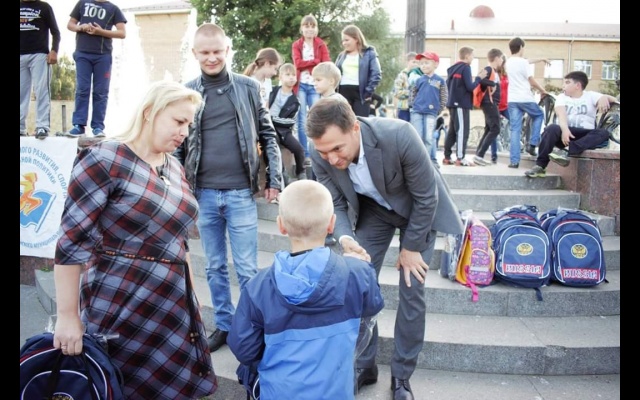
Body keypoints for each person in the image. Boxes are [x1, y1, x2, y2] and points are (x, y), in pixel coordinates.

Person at [52, 80, 218, 399]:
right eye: (178, 121)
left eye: (189, 124)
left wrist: (193, 297)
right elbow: (71, 243)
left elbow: (179, 240)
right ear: (149, 112)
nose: (184, 132)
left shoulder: (174, 167)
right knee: (119, 388)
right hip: (120, 300)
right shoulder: (104, 158)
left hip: (173, 304)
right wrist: (68, 317)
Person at [305, 97, 464, 400]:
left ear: (354, 128)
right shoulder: (320, 151)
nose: (332, 159)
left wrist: (412, 247)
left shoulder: (399, 134)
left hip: (418, 212)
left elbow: (426, 197)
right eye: (324, 152)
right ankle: (363, 365)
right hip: (374, 211)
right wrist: (346, 239)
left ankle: (402, 375)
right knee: (357, 283)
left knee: (411, 288)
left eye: (337, 149)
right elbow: (335, 203)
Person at [175, 22, 283, 353]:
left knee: (247, 269)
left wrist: (275, 179)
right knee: (214, 267)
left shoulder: (249, 87)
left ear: (227, 51)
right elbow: (178, 144)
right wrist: (177, 185)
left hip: (240, 194)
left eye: (217, 52)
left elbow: (268, 135)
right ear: (195, 53)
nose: (212, 58)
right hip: (203, 194)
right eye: (205, 52)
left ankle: (252, 329)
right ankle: (223, 324)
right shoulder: (187, 91)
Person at [227, 179, 385, 400]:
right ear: (331, 224)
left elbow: (243, 348)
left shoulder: (258, 287)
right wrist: (362, 267)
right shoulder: (357, 273)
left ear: (281, 225)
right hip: (336, 392)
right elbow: (372, 307)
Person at [524, 71, 617, 178]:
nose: (563, 86)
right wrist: (565, 130)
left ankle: (567, 151)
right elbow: (561, 114)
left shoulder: (591, 95)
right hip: (566, 135)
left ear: (577, 85)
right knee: (551, 128)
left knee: (603, 133)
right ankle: (540, 166)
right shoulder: (562, 97)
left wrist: (604, 97)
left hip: (585, 136)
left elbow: (615, 100)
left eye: (567, 82)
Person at [63, 0, 127, 138]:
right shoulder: (82, 3)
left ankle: (98, 127)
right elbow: (70, 24)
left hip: (103, 55)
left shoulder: (113, 8)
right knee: (82, 89)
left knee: (101, 92)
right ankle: (79, 125)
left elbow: (122, 33)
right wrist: (81, 27)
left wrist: (100, 31)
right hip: (82, 53)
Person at [291, 14, 331, 161]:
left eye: (312, 26)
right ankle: (305, 154)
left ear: (316, 29)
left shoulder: (321, 44)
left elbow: (325, 64)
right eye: (306, 26)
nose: (309, 29)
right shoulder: (297, 45)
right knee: (301, 119)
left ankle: (319, 150)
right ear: (302, 29)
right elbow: (298, 64)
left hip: (315, 85)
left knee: (316, 117)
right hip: (301, 84)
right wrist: (315, 61)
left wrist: (310, 63)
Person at [505, 37, 548, 168]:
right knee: (539, 115)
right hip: (525, 98)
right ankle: (532, 144)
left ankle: (514, 161)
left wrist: (540, 59)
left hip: (512, 100)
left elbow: (526, 61)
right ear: (521, 47)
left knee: (515, 129)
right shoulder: (522, 63)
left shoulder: (508, 62)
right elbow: (531, 80)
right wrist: (542, 90)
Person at [20, 0, 61, 139]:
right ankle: (20, 127)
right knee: (21, 92)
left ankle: (42, 126)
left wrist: (54, 50)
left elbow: (55, 32)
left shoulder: (44, 7)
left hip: (40, 55)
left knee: (41, 90)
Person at [442, 46, 487, 167]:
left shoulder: (453, 69)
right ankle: (460, 158)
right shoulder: (466, 68)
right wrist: (479, 78)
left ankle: (447, 156)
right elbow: (470, 87)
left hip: (452, 103)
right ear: (467, 56)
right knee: (462, 130)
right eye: (472, 56)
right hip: (461, 104)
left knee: (452, 131)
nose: (473, 58)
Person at [268, 62, 307, 184]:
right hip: (268, 128)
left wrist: (272, 118)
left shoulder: (296, 101)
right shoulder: (272, 91)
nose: (291, 78)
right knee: (274, 146)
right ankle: (283, 173)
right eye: (288, 75)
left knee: (299, 149)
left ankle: (301, 172)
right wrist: (269, 120)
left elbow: (291, 121)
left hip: (284, 131)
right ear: (280, 77)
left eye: (293, 75)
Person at [409, 51, 447, 166]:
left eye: (427, 63)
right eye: (421, 63)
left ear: (435, 64)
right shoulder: (419, 80)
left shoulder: (440, 80)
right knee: (418, 136)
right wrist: (412, 105)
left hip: (431, 112)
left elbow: (444, 96)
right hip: (417, 111)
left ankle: (428, 161)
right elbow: (413, 93)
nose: (424, 66)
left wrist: (439, 109)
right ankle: (418, 161)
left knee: (429, 137)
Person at [335, 24, 382, 117]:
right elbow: (334, 73)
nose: (344, 43)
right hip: (343, 92)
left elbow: (376, 74)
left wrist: (368, 92)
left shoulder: (370, 53)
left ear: (356, 39)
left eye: (347, 40)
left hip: (361, 94)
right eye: (343, 41)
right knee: (344, 121)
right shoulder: (341, 56)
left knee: (361, 121)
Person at [473, 48, 504, 166]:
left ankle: (478, 155)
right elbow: (480, 79)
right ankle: (479, 155)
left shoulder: (494, 71)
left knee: (489, 129)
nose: (502, 61)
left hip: (490, 103)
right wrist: (493, 84)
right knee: (495, 129)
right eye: (501, 58)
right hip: (489, 102)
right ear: (496, 58)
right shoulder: (489, 69)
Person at [392, 51, 418, 121]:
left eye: (417, 62)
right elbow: (397, 92)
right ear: (407, 62)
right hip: (404, 109)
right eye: (413, 62)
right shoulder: (402, 75)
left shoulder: (419, 76)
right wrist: (411, 92)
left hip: (417, 109)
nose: (415, 64)